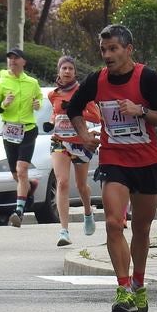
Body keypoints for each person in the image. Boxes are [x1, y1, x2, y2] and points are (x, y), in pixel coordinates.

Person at [67, 24, 157, 312]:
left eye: (113, 49)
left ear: (128, 49)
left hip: (147, 162)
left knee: (141, 229)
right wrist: (84, 135)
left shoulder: (147, 78)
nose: (107, 55)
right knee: (114, 224)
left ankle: (139, 285)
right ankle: (123, 288)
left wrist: (140, 111)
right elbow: (73, 107)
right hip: (114, 160)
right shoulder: (97, 80)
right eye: (103, 50)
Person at [0, 48, 44, 228]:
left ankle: (18, 211)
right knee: (17, 175)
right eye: (10, 59)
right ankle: (30, 186)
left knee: (21, 169)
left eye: (16, 58)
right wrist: (3, 104)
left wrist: (37, 104)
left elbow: (40, 99)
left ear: (23, 62)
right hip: (10, 131)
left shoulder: (32, 83)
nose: (12, 61)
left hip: (28, 129)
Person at [47, 55, 99, 247]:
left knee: (82, 185)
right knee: (62, 182)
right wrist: (51, 121)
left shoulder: (82, 92)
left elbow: (96, 116)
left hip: (80, 142)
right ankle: (64, 231)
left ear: (75, 72)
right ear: (59, 71)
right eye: (64, 68)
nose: (67, 71)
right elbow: (54, 113)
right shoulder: (53, 94)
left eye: (70, 68)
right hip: (59, 141)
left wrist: (76, 110)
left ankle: (87, 212)